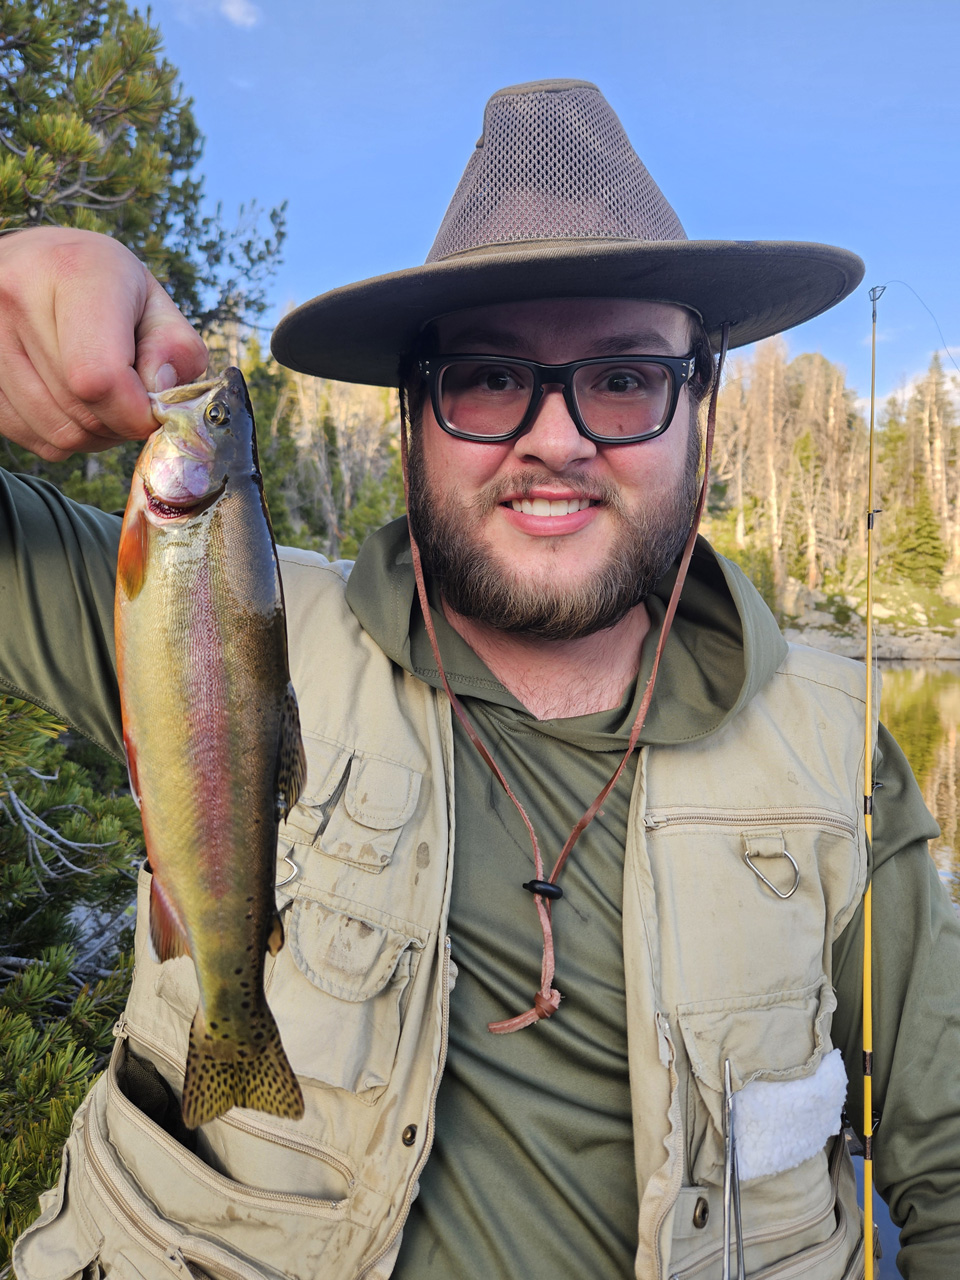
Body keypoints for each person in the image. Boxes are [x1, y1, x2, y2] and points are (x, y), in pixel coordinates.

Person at [3, 79, 960, 1280]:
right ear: (415, 413)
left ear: (701, 403)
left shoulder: (841, 751)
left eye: (623, 377)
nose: (555, 438)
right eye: (491, 376)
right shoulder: (211, 609)